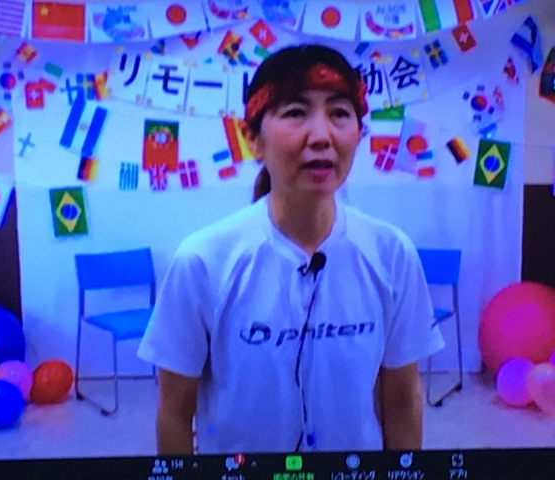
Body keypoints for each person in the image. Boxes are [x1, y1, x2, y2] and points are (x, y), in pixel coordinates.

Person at [137, 44, 445, 455]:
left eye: (340, 113)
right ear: (253, 139)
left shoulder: (392, 254)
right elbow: (175, 412)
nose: (321, 136)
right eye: (296, 112)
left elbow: (402, 400)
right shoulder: (203, 261)